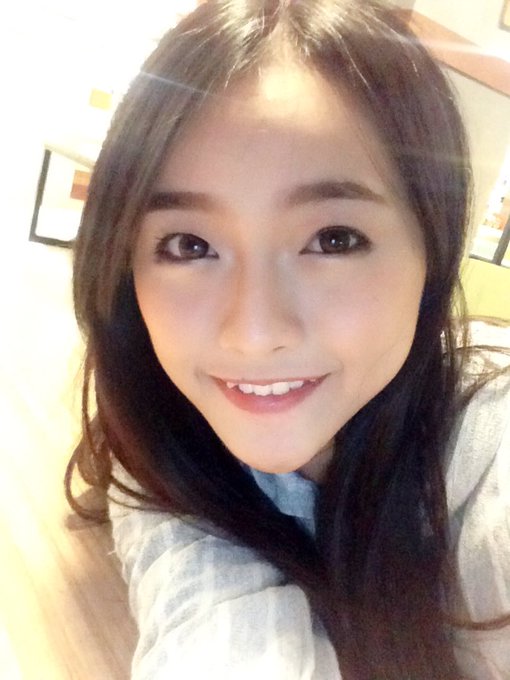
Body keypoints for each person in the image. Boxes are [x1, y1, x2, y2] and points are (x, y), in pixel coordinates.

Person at [65, 0, 510, 678]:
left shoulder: (486, 442)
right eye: (189, 245)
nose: (254, 333)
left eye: (334, 239)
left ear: (432, 253)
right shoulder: (164, 439)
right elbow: (212, 621)